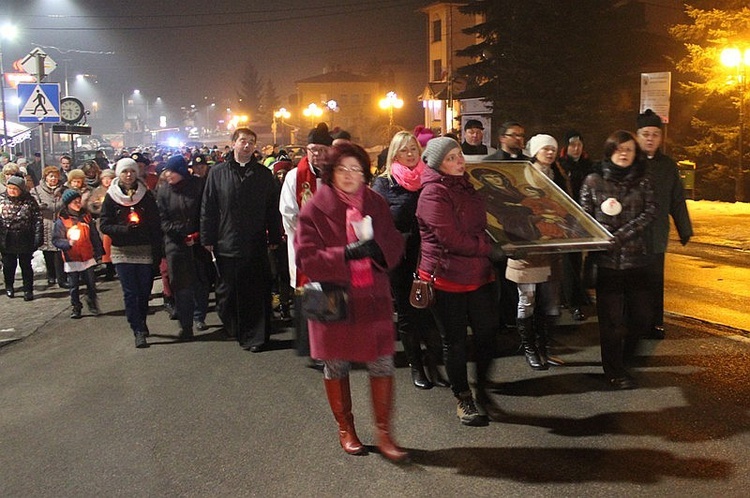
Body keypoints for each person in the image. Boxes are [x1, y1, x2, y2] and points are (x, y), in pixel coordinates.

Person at [294, 142, 407, 462]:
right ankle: (346, 428)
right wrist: (344, 254)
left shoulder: (375, 202)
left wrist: (380, 250)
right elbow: (306, 257)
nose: (349, 175)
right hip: (330, 294)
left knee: (382, 362)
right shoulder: (314, 207)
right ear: (330, 172)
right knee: (336, 363)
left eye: (356, 169)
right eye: (342, 169)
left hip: (371, 293)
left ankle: (385, 432)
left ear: (365, 172)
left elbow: (395, 243)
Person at [416, 137, 505, 426]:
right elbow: (450, 238)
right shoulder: (432, 193)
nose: (459, 161)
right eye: (451, 158)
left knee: (487, 335)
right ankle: (464, 397)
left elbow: (482, 224)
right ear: (437, 163)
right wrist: (488, 249)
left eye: (459, 155)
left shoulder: (468, 186)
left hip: (478, 275)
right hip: (446, 277)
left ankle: (482, 386)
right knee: (454, 342)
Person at [580, 130, 657, 390]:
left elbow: (649, 212)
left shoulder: (643, 181)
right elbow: (584, 215)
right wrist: (601, 236)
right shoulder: (593, 180)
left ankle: (624, 359)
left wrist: (620, 235)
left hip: (637, 259)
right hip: (606, 263)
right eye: (618, 149)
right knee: (611, 321)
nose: (623, 154)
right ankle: (613, 371)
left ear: (635, 155)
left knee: (643, 317)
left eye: (629, 150)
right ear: (609, 151)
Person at [371, 131, 449, 390]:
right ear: (395, 153)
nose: (410, 154)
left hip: (429, 255)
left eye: (414, 149)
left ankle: (434, 362)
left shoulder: (429, 179)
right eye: (404, 150)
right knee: (407, 314)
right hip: (401, 257)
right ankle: (417, 367)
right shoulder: (384, 183)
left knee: (431, 310)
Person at [200, 127, 282, 352]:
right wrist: (207, 237)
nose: (247, 146)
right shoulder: (217, 173)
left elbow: (271, 209)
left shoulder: (263, 175)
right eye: (243, 141)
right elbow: (208, 207)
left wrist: (274, 235)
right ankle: (234, 327)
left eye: (251, 142)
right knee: (227, 292)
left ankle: (256, 337)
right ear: (234, 143)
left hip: (254, 243)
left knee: (255, 291)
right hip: (226, 242)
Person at [505, 134, 567, 370]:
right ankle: (529, 348)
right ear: (534, 151)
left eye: (553, 148)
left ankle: (545, 348)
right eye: (545, 149)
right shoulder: (521, 177)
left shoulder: (558, 177)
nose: (550, 153)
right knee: (527, 299)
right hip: (527, 250)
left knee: (551, 303)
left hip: (551, 248)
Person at [636, 109, 693, 339]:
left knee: (654, 282)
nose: (650, 138)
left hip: (657, 235)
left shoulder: (668, 166)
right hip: (632, 237)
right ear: (637, 135)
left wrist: (684, 228)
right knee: (633, 282)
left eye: (655, 134)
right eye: (646, 133)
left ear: (660, 137)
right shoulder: (628, 160)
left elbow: (677, 199)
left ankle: (654, 323)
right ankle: (633, 323)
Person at [279, 123, 333, 360]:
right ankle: (316, 349)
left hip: (335, 248)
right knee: (312, 296)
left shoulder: (340, 173)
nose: (317, 154)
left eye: (321, 149)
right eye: (312, 149)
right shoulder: (294, 177)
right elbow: (288, 212)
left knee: (332, 295)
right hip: (307, 247)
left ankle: (333, 344)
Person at [100, 158, 163, 349]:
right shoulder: (112, 197)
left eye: (132, 172)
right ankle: (137, 328)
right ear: (119, 174)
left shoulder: (146, 195)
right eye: (125, 172)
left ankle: (142, 320)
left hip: (144, 248)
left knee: (144, 291)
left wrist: (156, 250)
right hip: (122, 250)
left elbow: (155, 224)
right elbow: (104, 224)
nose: (129, 175)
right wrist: (123, 229)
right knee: (130, 292)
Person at [157, 154, 210, 340]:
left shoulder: (198, 186)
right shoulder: (163, 191)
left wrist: (197, 235)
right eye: (166, 171)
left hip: (197, 243)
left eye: (171, 171)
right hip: (176, 245)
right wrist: (180, 234)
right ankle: (186, 325)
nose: (168, 175)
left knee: (200, 282)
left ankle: (199, 316)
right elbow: (163, 220)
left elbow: (206, 213)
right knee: (181, 286)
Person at [558, 130, 594, 321]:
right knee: (567, 260)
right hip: (564, 218)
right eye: (572, 144)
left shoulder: (589, 166)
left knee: (576, 259)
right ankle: (571, 299)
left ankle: (575, 296)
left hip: (583, 218)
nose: (576, 148)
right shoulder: (560, 166)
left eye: (579, 144)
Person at [52, 189, 103, 318]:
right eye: (75, 202)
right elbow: (56, 240)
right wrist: (68, 244)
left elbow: (94, 235)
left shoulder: (86, 217)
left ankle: (92, 302)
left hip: (87, 256)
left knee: (91, 283)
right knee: (74, 285)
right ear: (68, 203)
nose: (78, 204)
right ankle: (76, 306)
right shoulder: (62, 221)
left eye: (79, 201)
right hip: (72, 257)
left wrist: (99, 251)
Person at [0, 174, 43, 300]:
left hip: (25, 237)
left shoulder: (29, 201)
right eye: (9, 188)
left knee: (26, 265)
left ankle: (28, 290)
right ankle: (9, 286)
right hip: (7, 237)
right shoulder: (1, 200)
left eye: (15, 188)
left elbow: (37, 219)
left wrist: (37, 236)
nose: (12, 191)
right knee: (8, 265)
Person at [31, 166, 69, 288]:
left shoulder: (64, 190)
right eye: (51, 176)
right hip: (45, 223)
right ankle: (51, 275)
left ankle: (61, 277)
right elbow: (35, 204)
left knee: (59, 251)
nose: (53, 178)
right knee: (47, 251)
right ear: (45, 177)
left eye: (56, 176)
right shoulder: (37, 190)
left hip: (60, 223)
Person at [88, 169, 117, 281]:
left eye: (109, 178)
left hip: (114, 221)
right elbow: (90, 205)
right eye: (105, 178)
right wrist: (97, 207)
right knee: (105, 245)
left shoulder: (116, 190)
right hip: (102, 221)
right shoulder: (97, 191)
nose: (107, 181)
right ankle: (108, 267)